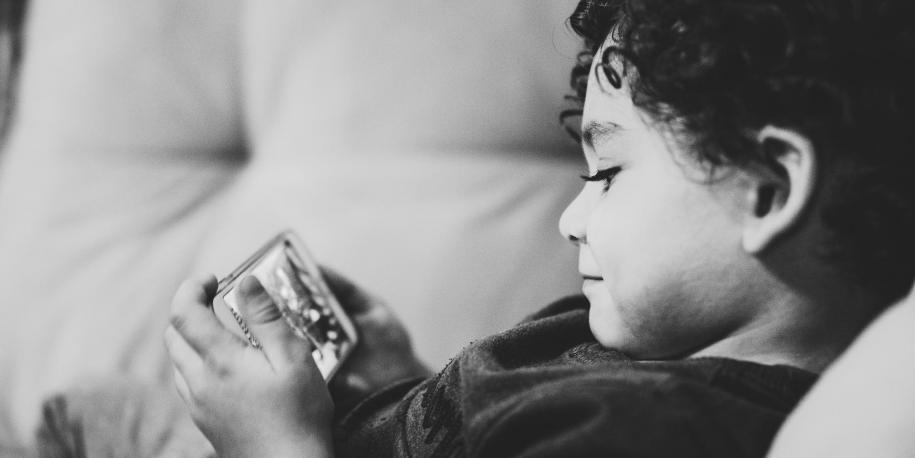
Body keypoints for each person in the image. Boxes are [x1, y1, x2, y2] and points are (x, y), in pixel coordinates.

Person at [165, 0, 915, 456]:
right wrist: (395, 377)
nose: (569, 218)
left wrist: (271, 444)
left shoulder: (645, 433)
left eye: (608, 174)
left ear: (768, 187)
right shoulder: (639, 341)